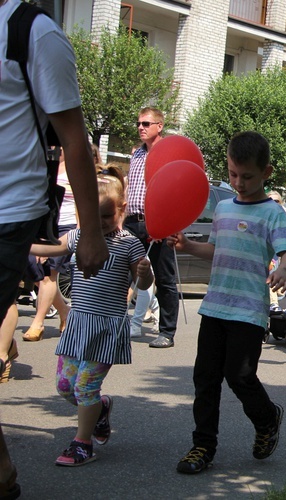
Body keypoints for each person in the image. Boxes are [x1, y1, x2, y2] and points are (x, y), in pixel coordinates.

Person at [0, 0, 109, 494]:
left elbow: (74, 138)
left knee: (78, 380)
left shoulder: (33, 33)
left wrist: (91, 232)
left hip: (9, 214)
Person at [170, 131, 286, 474]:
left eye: (248, 176)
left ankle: (267, 417)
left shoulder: (272, 212)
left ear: (266, 172)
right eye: (233, 174)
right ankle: (202, 446)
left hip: (248, 310)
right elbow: (215, 250)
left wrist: (284, 270)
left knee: (239, 376)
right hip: (214, 306)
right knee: (205, 378)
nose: (239, 182)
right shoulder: (224, 208)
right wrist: (188, 246)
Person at [30, 167, 153, 466]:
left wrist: (145, 272)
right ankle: (99, 410)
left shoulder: (129, 243)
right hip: (78, 325)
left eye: (107, 217)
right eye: (93, 216)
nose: (99, 224)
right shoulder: (80, 235)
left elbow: (145, 284)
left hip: (105, 327)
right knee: (64, 386)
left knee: (85, 387)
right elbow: (56, 246)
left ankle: (82, 444)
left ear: (122, 210)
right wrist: (20, 243)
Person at [124, 107, 179, 349]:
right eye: (139, 123)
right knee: (122, 274)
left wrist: (166, 224)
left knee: (164, 278)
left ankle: (167, 332)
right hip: (131, 221)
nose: (141, 127)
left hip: (158, 222)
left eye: (146, 123)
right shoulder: (136, 154)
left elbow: (175, 191)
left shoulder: (169, 153)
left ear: (159, 126)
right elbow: (129, 189)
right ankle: (116, 323)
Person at [21, 146, 78, 342]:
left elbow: (81, 201)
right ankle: (65, 311)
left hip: (67, 227)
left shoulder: (74, 169)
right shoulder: (43, 167)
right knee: (35, 271)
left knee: (48, 274)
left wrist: (80, 231)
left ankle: (38, 323)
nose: (53, 149)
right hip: (44, 227)